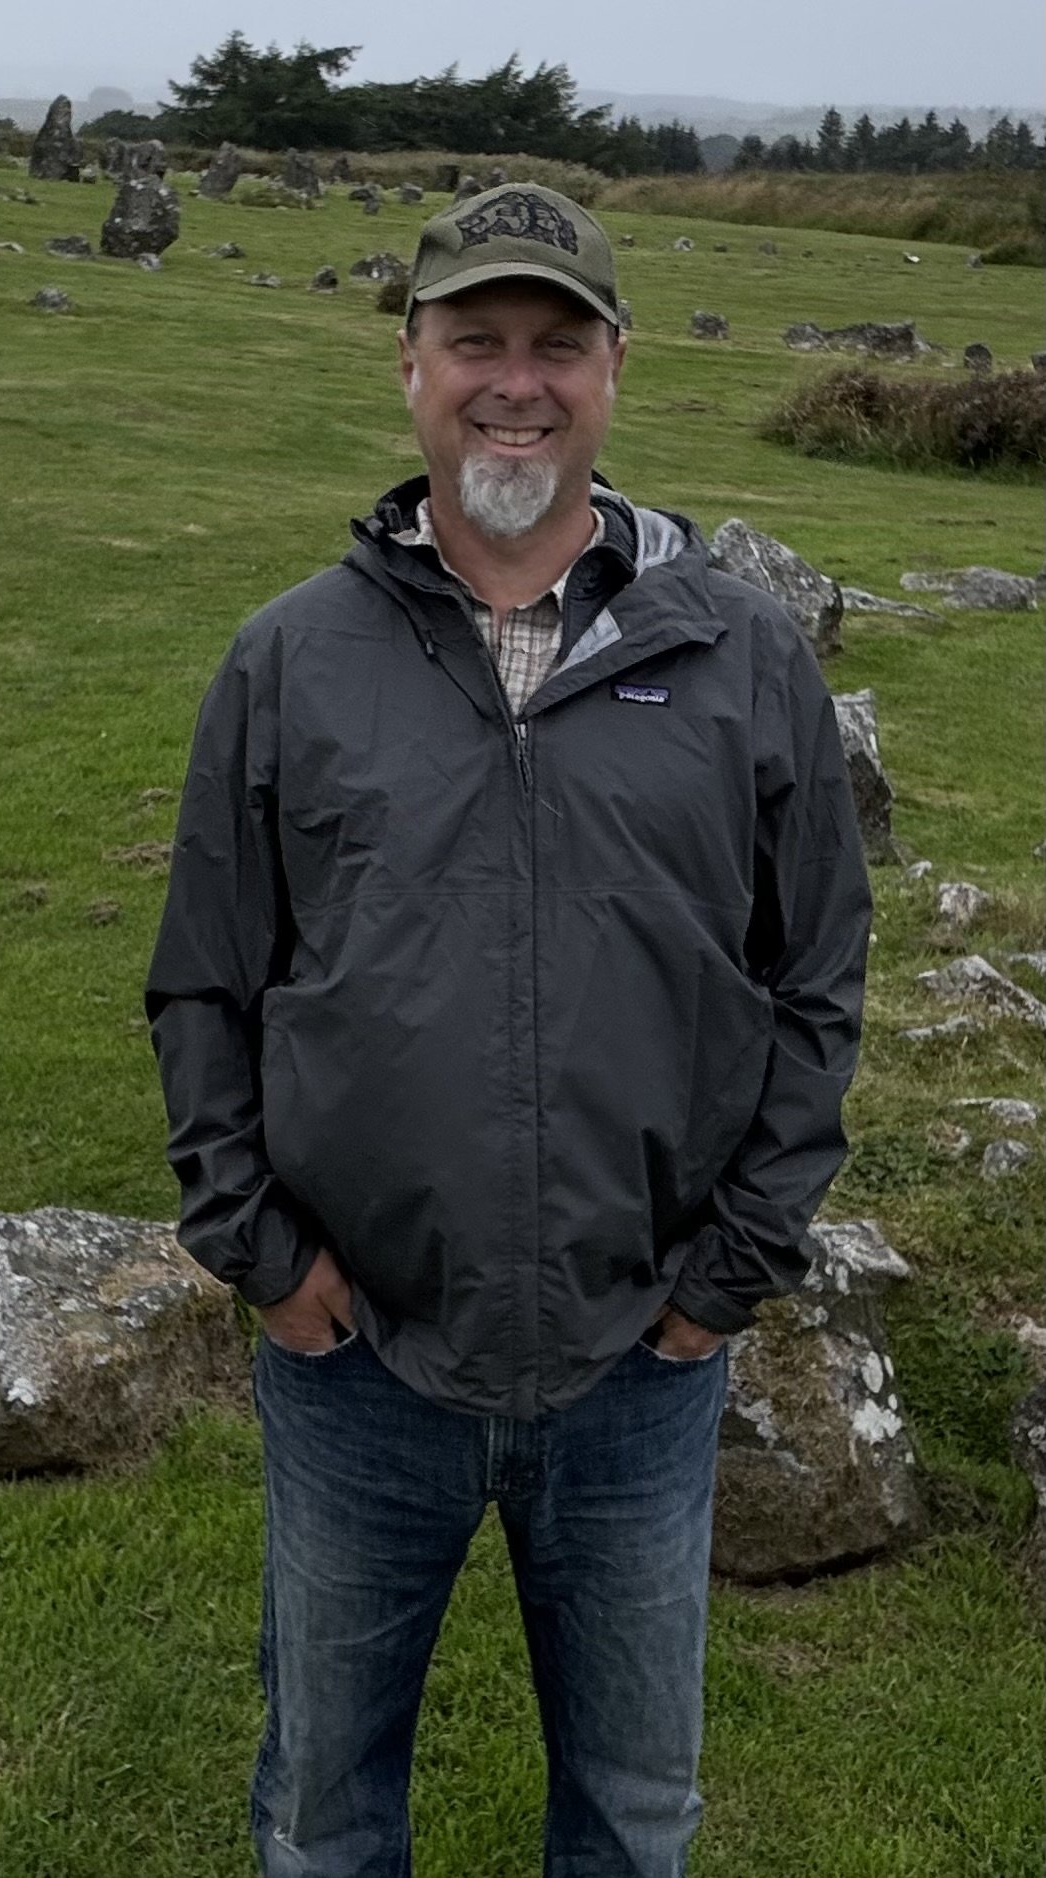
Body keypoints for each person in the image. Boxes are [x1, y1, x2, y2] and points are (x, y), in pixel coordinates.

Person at [145, 182, 872, 1878]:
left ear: (616, 369)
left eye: (557, 342)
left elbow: (817, 976)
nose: (516, 382)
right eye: (476, 339)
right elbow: (204, 980)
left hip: (638, 1365)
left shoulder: (743, 659)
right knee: (324, 1813)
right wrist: (264, 1254)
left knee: (631, 1818)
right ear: (411, 364)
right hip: (359, 1361)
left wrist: (724, 1280)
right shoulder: (289, 661)